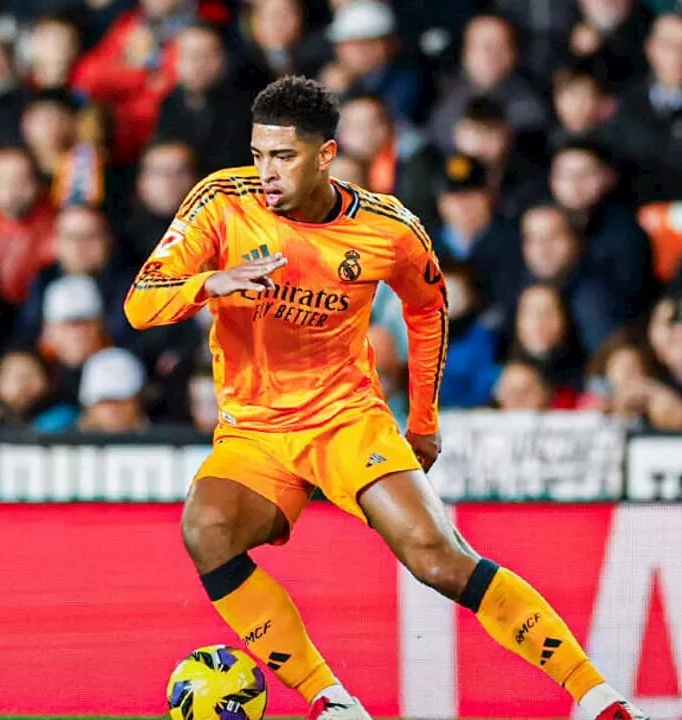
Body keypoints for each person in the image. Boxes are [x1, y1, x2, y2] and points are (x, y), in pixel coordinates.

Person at [123, 75, 646, 720]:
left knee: (438, 559)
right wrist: (212, 282)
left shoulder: (389, 228)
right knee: (206, 529)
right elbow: (140, 304)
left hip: (346, 419)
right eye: (258, 153)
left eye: (283, 156)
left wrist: (423, 420)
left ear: (326, 154)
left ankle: (601, 700)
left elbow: (429, 311)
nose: (266, 172)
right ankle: (332, 702)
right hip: (254, 429)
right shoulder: (220, 203)